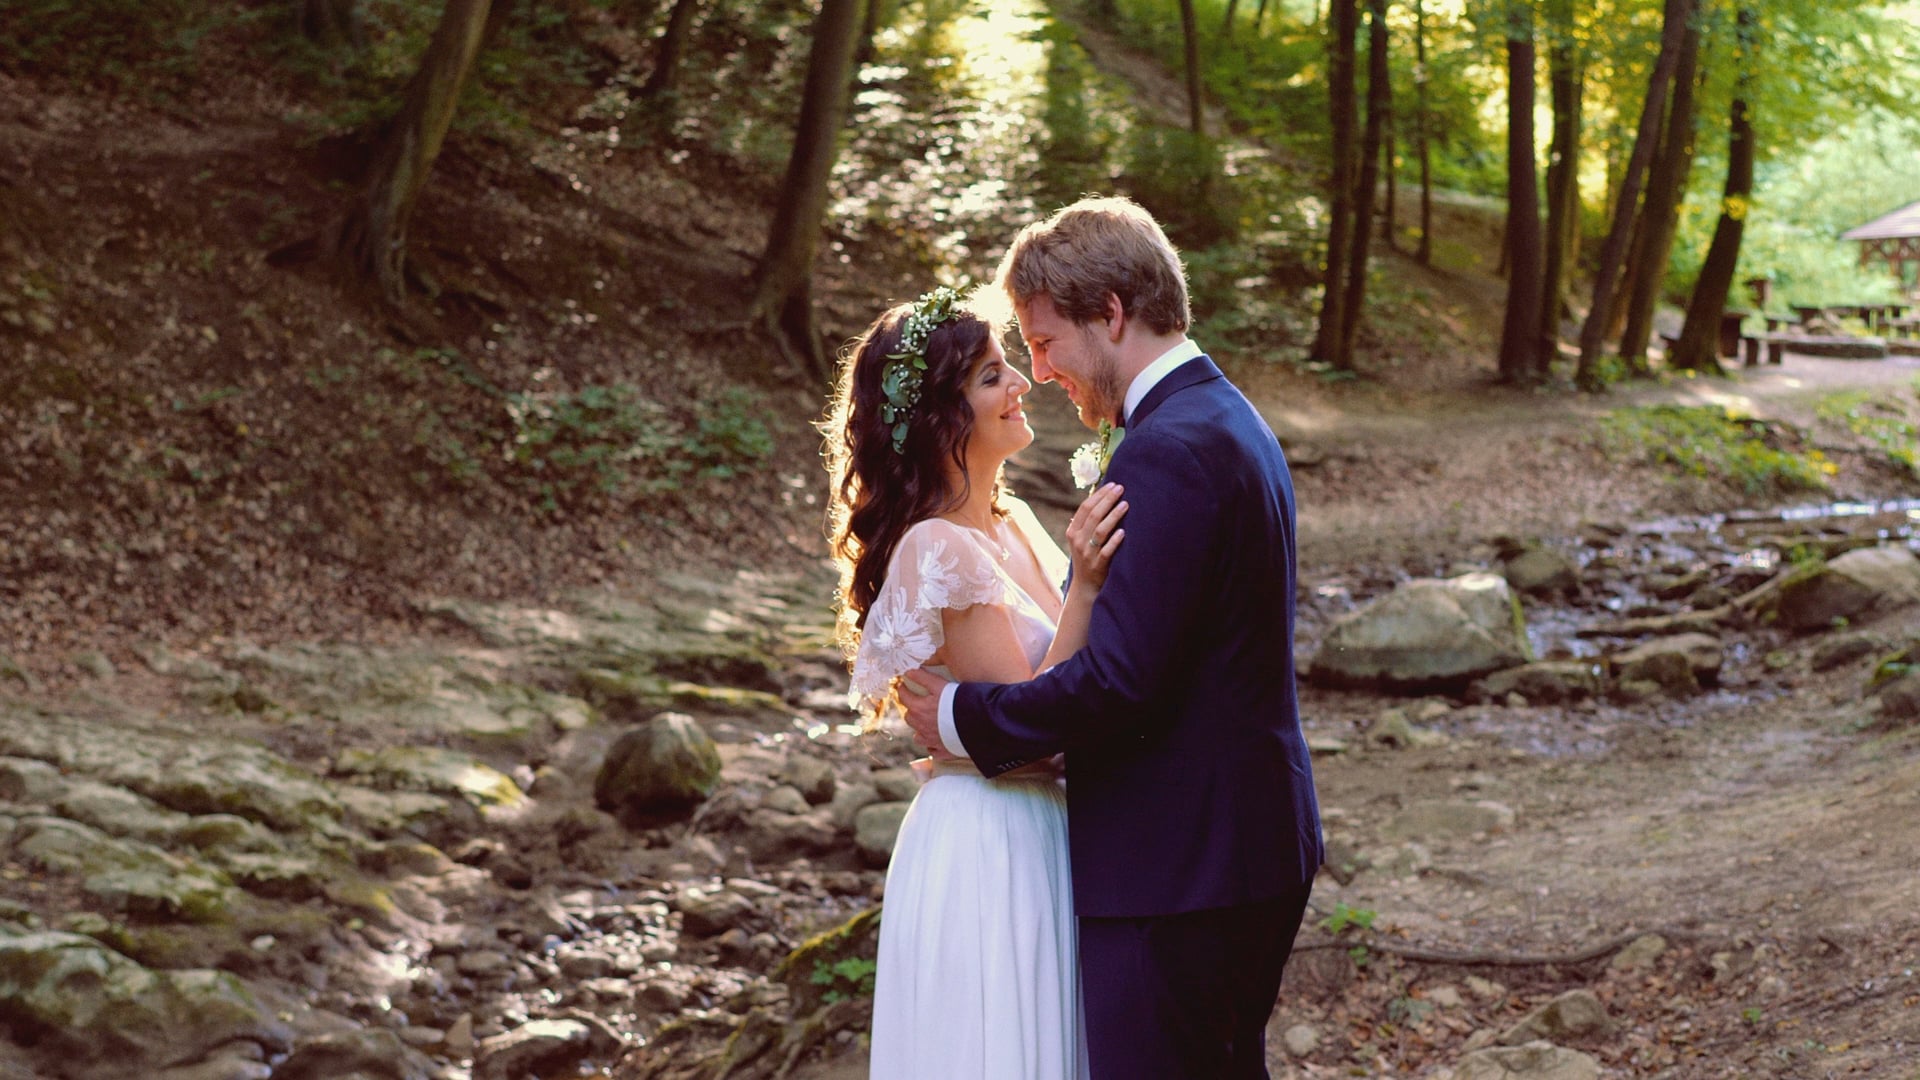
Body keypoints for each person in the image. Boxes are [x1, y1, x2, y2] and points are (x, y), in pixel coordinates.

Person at [899, 195, 1324, 1080]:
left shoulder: (1167, 448)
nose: (1042, 372)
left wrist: (962, 722)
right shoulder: (1225, 418)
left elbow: (1120, 681)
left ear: (1113, 314)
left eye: (1047, 342)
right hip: (1237, 846)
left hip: (1180, 867)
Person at [822, 284, 1130, 1079]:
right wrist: (1089, 587)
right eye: (993, 376)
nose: (1022, 383)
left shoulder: (1013, 520)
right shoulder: (938, 548)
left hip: (1042, 827)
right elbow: (1035, 721)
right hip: (991, 839)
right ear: (939, 418)